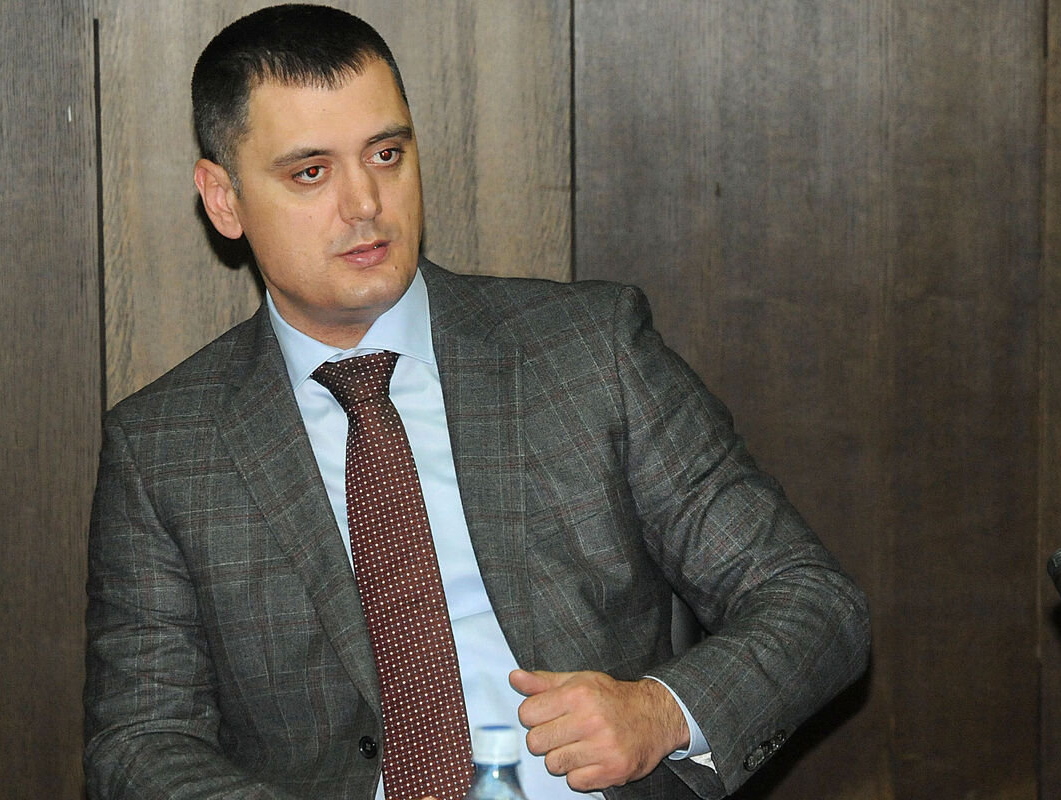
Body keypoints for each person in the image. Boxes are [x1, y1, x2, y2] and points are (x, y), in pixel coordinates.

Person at [83, 5, 870, 800]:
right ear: (223, 198)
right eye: (311, 172)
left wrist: (659, 712)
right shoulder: (166, 448)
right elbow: (142, 741)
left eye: (386, 154)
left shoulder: (588, 351)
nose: (365, 203)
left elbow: (811, 601)